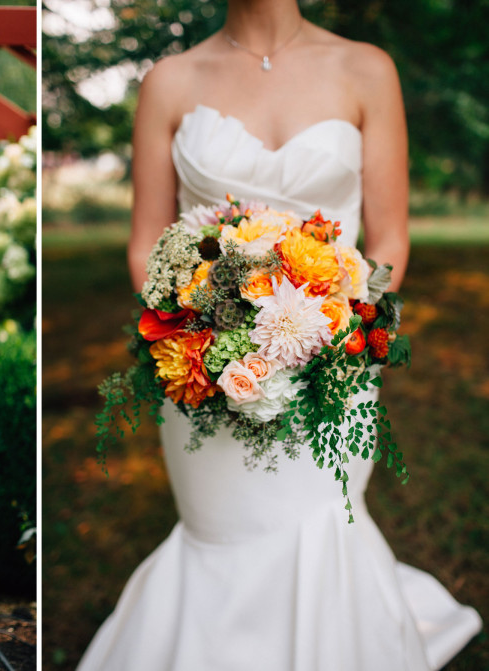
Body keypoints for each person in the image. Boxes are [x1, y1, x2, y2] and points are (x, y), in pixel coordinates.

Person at [77, 2, 482, 670]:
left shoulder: (366, 69)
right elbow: (146, 242)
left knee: (319, 518)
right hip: (207, 367)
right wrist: (200, 326)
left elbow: (388, 242)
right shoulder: (169, 81)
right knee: (225, 527)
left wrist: (344, 323)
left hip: (334, 361)